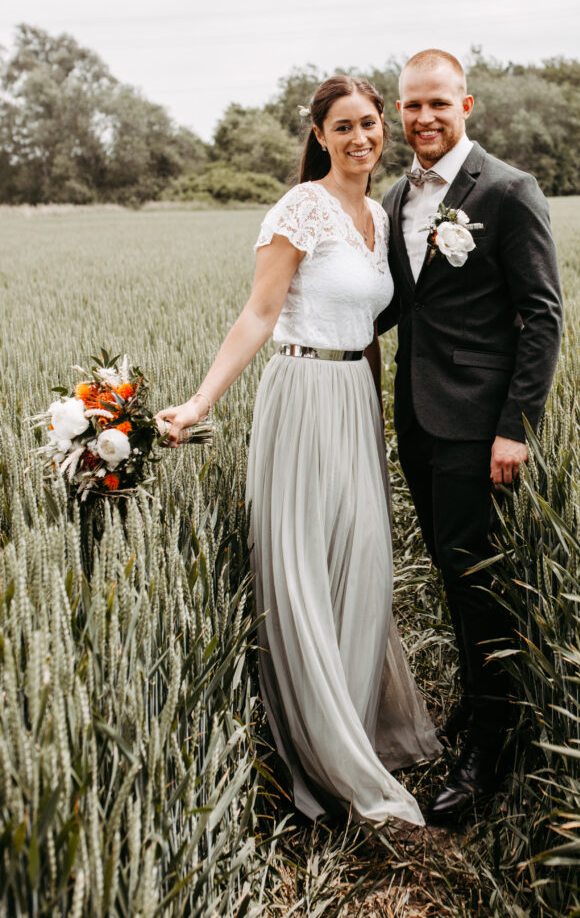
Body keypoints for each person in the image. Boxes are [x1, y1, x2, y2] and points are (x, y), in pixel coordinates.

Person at [157, 75, 441, 826]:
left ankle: (351, 729)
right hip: (302, 394)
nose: (360, 138)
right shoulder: (299, 208)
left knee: (366, 564)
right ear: (319, 134)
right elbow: (259, 313)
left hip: (355, 402)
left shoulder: (380, 216)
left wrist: (383, 418)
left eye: (370, 124)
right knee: (307, 570)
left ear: (386, 130)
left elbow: (374, 328)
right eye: (343, 126)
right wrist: (198, 402)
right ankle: (327, 759)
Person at [378, 49, 563, 825]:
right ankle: (480, 710)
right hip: (418, 422)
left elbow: (542, 314)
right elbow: (397, 305)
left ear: (467, 105)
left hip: (479, 427)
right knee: (454, 577)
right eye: (411, 106)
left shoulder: (510, 191)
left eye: (438, 105)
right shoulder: (394, 196)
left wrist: (516, 429)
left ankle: (496, 749)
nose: (424, 118)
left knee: (478, 584)